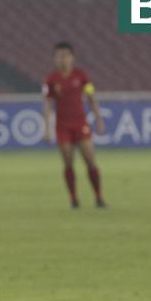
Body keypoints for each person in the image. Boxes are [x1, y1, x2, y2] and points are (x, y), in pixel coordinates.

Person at [43, 42, 106, 208]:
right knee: (68, 162)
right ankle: (73, 199)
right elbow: (48, 104)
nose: (62, 59)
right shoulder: (52, 79)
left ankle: (99, 197)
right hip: (62, 126)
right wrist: (47, 128)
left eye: (66, 55)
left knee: (90, 160)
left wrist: (98, 119)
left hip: (81, 124)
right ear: (55, 59)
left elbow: (91, 97)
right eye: (59, 56)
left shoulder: (81, 76)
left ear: (72, 57)